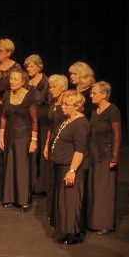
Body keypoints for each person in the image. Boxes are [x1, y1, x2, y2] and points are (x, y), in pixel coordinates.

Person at [49, 90, 90, 245]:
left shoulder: (80, 123)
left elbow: (80, 150)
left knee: (72, 202)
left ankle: (74, 234)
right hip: (62, 166)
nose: (62, 106)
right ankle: (66, 230)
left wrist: (72, 171)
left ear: (77, 106)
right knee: (65, 201)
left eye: (66, 104)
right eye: (63, 103)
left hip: (71, 168)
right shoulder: (69, 119)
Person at [0, 69, 38, 211]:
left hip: (24, 136)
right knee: (9, 166)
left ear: (23, 82)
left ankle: (24, 200)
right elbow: (3, 117)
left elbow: (34, 120)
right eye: (11, 79)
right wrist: (1, 135)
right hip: (10, 135)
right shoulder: (6, 95)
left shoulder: (29, 96)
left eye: (15, 79)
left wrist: (34, 140)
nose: (12, 81)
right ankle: (9, 197)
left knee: (21, 168)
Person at [87, 81, 121, 235]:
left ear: (104, 94)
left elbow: (117, 135)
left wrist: (114, 157)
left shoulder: (112, 111)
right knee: (95, 190)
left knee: (104, 191)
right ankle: (94, 221)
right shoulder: (95, 112)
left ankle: (105, 223)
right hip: (94, 155)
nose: (91, 95)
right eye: (91, 92)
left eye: (94, 93)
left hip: (106, 156)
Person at [43, 74, 69, 218]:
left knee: (59, 177)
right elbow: (50, 127)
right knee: (51, 177)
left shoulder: (66, 104)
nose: (51, 90)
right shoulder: (53, 104)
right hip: (52, 142)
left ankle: (60, 210)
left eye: (54, 87)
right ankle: (51, 211)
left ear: (63, 88)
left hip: (63, 143)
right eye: (50, 87)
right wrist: (47, 145)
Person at [25, 54, 50, 197]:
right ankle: (29, 183)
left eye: (31, 66)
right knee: (30, 152)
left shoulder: (46, 81)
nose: (28, 68)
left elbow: (44, 100)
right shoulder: (26, 80)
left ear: (39, 67)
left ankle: (40, 186)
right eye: (27, 66)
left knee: (40, 153)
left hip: (42, 119)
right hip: (28, 119)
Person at [0, 38, 21, 105]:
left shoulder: (16, 67)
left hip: (7, 104)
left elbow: (17, 88)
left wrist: (2, 97)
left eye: (0, 51)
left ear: (8, 53)